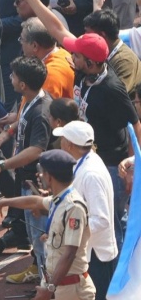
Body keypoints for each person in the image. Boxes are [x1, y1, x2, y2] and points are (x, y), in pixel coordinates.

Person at [16, 0, 141, 248]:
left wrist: (133, 166)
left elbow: (135, 125)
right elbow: (56, 27)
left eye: (76, 56)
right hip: (85, 156)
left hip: (110, 165)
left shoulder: (111, 89)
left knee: (109, 227)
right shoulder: (87, 67)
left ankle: (115, 273)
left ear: (91, 62)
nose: (71, 57)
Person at [0, 150, 97, 300]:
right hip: (57, 285)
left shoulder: (73, 207)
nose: (39, 175)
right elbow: (35, 201)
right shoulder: (59, 200)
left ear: (50, 176)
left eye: (42, 172)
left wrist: (49, 289)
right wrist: (3, 202)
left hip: (71, 290)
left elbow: (69, 254)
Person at [0, 56, 52, 283]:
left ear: (23, 84)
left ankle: (47, 285)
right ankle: (42, 278)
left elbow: (36, 150)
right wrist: (8, 132)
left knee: (41, 239)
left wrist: (3, 165)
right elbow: (23, 120)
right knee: (36, 238)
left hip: (35, 183)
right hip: (27, 178)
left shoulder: (41, 112)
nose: (10, 78)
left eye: (13, 76)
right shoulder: (32, 100)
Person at [54, 121, 118, 299]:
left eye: (62, 139)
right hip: (90, 252)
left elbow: (101, 219)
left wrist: (70, 230)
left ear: (69, 144)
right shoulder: (84, 162)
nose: (60, 143)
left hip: (97, 256)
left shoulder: (91, 174)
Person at [84, 8, 141, 95]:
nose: (85, 37)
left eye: (88, 33)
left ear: (102, 35)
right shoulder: (106, 51)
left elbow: (116, 96)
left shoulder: (124, 60)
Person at [18, 17, 75, 100]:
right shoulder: (63, 53)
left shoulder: (49, 76)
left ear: (34, 46)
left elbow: (42, 106)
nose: (21, 43)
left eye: (22, 39)